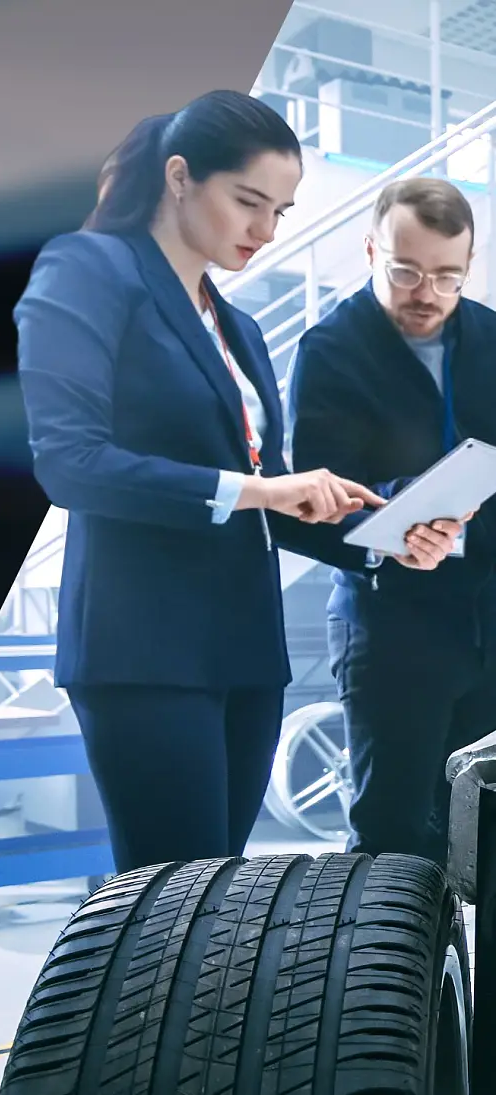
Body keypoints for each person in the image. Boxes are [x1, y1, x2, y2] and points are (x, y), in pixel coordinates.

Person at [13, 91, 462, 876]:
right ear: (178, 177)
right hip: (144, 643)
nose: (265, 229)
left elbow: (273, 497)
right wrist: (260, 490)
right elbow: (69, 463)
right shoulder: (87, 269)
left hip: (244, 647)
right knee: (166, 897)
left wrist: (382, 541)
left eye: (280, 211)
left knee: (216, 898)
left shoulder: (239, 326)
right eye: (247, 201)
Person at [287, 176, 496, 869]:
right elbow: (308, 503)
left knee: (488, 833)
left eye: (447, 276)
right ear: (371, 250)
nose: (426, 294)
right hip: (392, 628)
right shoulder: (329, 349)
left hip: (488, 618)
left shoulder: (492, 337)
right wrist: (396, 523)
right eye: (406, 271)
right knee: (394, 838)